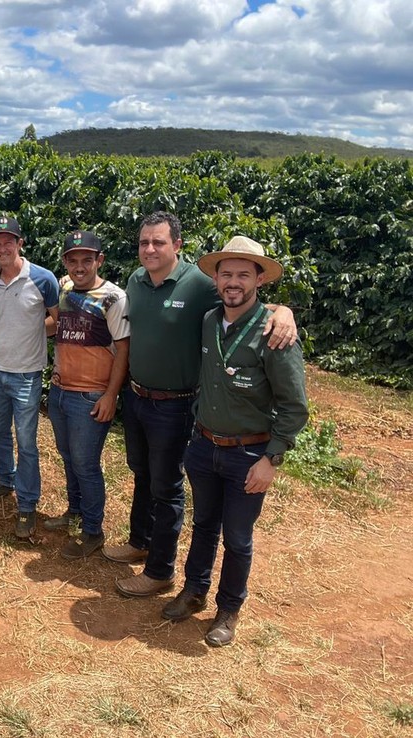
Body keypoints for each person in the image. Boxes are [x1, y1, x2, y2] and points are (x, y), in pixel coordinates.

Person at [105, 212, 298, 598]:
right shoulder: (136, 280)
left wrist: (284, 312)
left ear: (177, 245)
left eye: (159, 242)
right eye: (144, 242)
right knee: (142, 474)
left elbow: (244, 301)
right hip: (138, 398)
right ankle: (140, 540)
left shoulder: (197, 283)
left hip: (175, 405)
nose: (150, 249)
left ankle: (159, 571)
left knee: (166, 487)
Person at [161, 237, 307, 646]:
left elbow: (294, 406)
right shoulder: (210, 321)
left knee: (238, 538)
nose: (233, 282)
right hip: (205, 446)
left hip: (249, 453)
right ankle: (194, 591)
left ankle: (228, 609)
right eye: (226, 274)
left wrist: (271, 459)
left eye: (244, 274)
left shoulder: (274, 333)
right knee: (204, 525)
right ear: (216, 279)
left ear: (260, 280)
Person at [45, 230, 130, 558]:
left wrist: (110, 395)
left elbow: (123, 350)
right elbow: (58, 326)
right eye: (73, 260)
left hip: (90, 396)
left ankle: (93, 531)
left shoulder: (114, 298)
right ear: (65, 262)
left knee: (86, 464)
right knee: (68, 457)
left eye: (87, 260)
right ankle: (75, 512)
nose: (79, 266)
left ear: (99, 260)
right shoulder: (63, 288)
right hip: (60, 390)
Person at [0, 216, 60, 539]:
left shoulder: (43, 279)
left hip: (27, 374)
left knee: (26, 442)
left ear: (20, 243)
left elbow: (57, 320)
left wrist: (34, 332)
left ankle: (27, 505)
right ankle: (5, 480)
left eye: (8, 242)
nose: (3, 248)